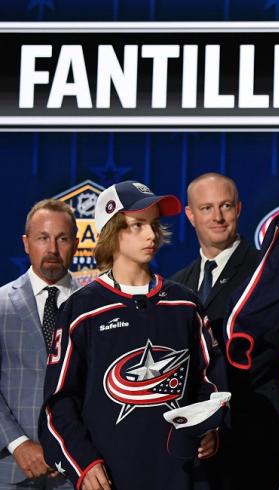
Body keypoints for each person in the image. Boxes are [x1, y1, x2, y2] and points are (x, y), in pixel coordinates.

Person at [39, 180, 225, 490]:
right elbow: (58, 404)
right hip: (112, 479)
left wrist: (211, 428)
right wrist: (82, 463)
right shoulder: (82, 310)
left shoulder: (185, 304)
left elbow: (212, 380)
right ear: (111, 231)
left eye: (153, 224)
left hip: (184, 478)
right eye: (136, 226)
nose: (152, 235)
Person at [170, 173, 279, 490]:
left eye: (225, 206)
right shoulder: (177, 285)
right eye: (207, 207)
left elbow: (261, 352)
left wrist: (207, 410)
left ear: (238, 209)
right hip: (196, 445)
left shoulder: (265, 271)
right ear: (190, 215)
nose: (218, 217)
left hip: (252, 439)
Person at [0, 200, 78, 490]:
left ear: (76, 243)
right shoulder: (0, 305)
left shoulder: (94, 310)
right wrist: (18, 444)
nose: (53, 250)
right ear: (26, 243)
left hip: (76, 470)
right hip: (10, 470)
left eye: (62, 239)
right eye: (43, 238)